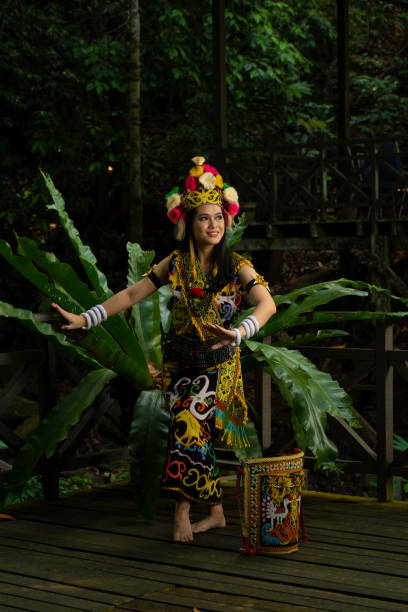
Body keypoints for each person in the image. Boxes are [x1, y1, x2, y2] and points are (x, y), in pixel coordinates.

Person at [51, 156, 276, 543]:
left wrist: (239, 332)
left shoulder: (238, 265)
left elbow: (267, 304)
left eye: (219, 217)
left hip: (218, 366)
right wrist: (84, 319)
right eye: (204, 218)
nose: (214, 225)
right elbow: (131, 294)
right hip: (180, 365)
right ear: (188, 222)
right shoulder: (175, 264)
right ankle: (218, 513)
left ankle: (182, 512)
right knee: (193, 436)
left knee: (188, 427)